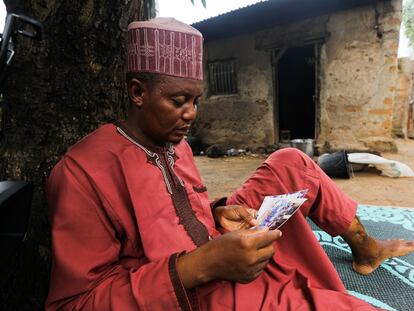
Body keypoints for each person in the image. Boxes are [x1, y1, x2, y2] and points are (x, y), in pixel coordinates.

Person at [46, 18, 414, 310]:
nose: (190, 115)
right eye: (177, 101)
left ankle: (366, 248)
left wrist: (218, 212)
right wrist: (200, 266)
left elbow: (171, 212)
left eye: (196, 100)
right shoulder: (81, 175)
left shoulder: (175, 142)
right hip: (199, 294)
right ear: (138, 92)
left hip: (219, 249)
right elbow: (75, 303)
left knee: (291, 162)